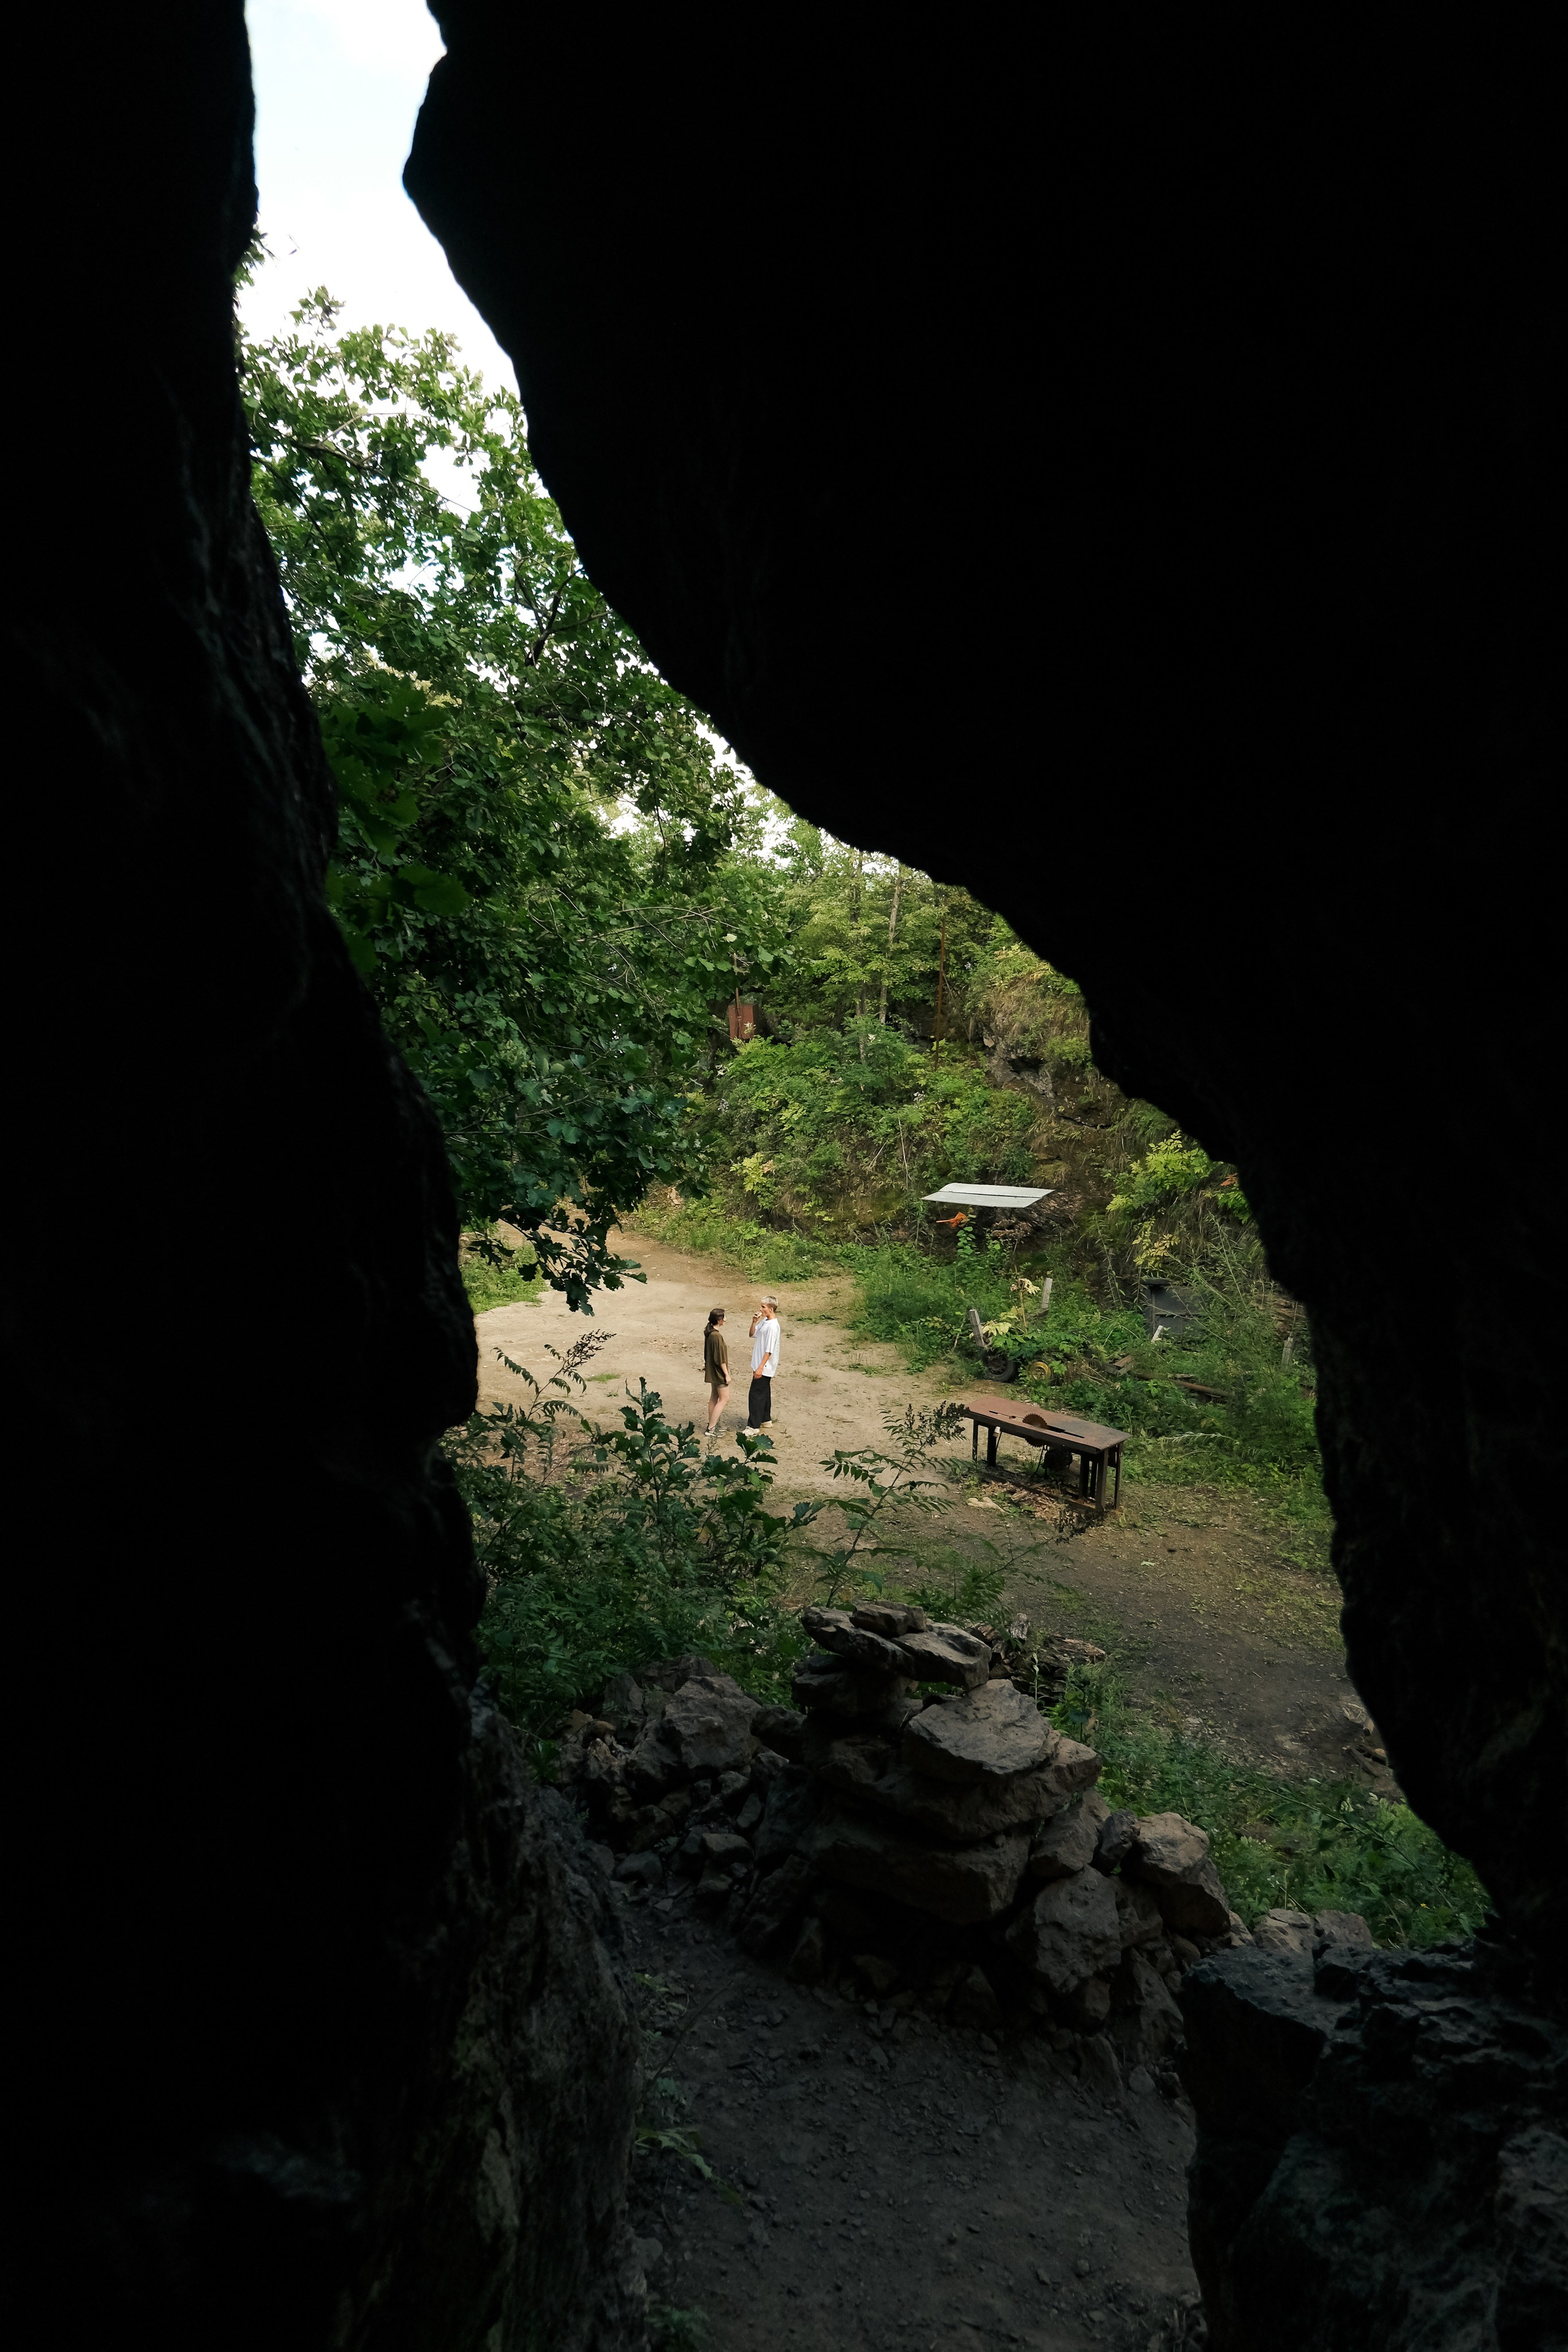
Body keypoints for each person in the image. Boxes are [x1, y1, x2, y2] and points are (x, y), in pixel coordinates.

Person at [747, 1293, 781, 1430]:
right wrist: (754, 1321)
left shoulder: (773, 1327)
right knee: (764, 1391)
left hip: (764, 1365)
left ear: (771, 1309)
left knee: (756, 1394)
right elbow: (752, 1334)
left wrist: (761, 1367)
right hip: (759, 1363)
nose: (761, 1309)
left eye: (763, 1307)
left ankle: (753, 1426)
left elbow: (769, 1349)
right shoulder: (765, 1322)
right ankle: (765, 1419)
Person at [702, 1307, 729, 1434]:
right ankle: (712, 1428)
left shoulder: (710, 1333)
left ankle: (712, 1424)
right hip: (719, 1372)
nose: (725, 1320)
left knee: (714, 1397)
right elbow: (720, 1359)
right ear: (720, 1321)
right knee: (724, 1399)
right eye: (724, 1317)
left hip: (712, 1370)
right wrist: (726, 1374)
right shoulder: (716, 1336)